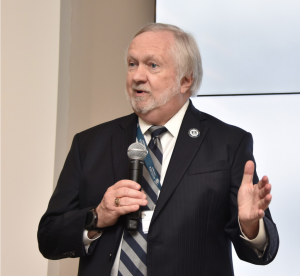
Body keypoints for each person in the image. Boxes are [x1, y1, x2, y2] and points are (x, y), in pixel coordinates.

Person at [38, 23, 279, 276]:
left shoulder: (228, 144)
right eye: (133, 64)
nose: (137, 76)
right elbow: (49, 238)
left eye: (152, 65)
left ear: (185, 80)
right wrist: (97, 216)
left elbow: (263, 252)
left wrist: (250, 225)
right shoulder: (89, 144)